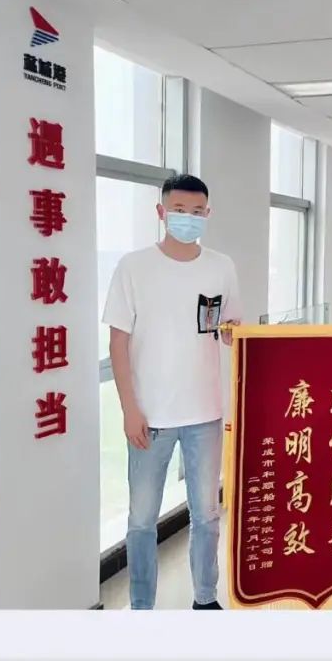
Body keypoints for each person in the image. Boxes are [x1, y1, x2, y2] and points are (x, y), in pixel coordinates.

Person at [102, 174, 241, 610]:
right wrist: (129, 409)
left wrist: (233, 333)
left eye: (197, 212)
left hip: (205, 413)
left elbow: (229, 331)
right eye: (179, 210)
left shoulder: (221, 266)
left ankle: (205, 599)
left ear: (208, 214)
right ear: (161, 212)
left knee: (208, 516)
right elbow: (118, 342)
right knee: (142, 521)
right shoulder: (134, 267)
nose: (188, 218)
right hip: (151, 417)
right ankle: (142, 606)